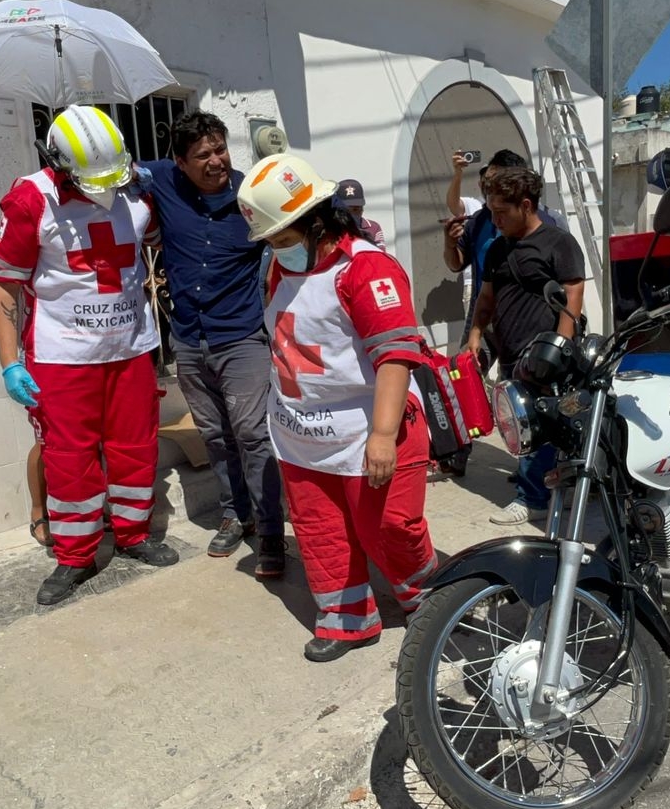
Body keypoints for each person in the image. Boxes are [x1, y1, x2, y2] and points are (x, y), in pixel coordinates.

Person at [237, 153, 439, 663]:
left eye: (281, 237)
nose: (275, 249)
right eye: (270, 241)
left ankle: (431, 600)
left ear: (314, 221)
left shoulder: (366, 267)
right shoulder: (278, 269)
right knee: (320, 531)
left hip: (371, 429)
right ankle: (346, 620)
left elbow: (396, 354)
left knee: (392, 527)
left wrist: (382, 435)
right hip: (301, 435)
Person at [0, 105, 181, 606]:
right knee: (70, 459)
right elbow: (6, 285)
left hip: (130, 349)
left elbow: (161, 245)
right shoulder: (32, 200)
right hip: (62, 357)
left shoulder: (137, 189)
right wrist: (11, 361)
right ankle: (75, 555)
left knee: (136, 446)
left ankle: (134, 534)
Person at [140, 112, 287, 578]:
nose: (216, 160)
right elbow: (117, 172)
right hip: (187, 340)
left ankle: (269, 530)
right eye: (202, 155)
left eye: (220, 148)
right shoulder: (163, 181)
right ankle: (234, 513)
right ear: (180, 162)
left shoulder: (251, 197)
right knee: (216, 438)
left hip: (241, 338)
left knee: (251, 435)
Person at [465, 167, 586, 526]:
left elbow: (573, 295)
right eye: (491, 212)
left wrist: (560, 347)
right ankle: (546, 488)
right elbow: (486, 298)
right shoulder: (496, 248)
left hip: (545, 355)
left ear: (526, 205)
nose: (495, 220)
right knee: (522, 426)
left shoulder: (557, 242)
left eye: (502, 212)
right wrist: (475, 333)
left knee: (540, 425)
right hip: (510, 353)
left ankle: (533, 499)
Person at [439, 149, 568, 477]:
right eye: (485, 182)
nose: (486, 186)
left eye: (494, 180)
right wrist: (448, 242)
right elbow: (456, 262)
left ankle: (537, 472)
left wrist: (561, 338)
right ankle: (458, 451)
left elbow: (567, 289)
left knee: (526, 397)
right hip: (484, 316)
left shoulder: (548, 229)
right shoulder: (481, 220)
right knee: (463, 380)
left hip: (528, 323)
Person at [333, 179, 386, 250]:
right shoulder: (330, 230)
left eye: (355, 209)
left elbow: (381, 255)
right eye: (346, 210)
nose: (351, 215)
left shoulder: (373, 227)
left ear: (362, 209)